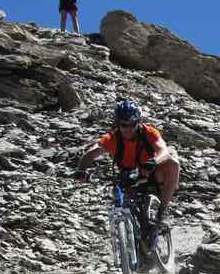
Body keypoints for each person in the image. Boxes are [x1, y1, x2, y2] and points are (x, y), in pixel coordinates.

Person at [75, 100, 181, 238]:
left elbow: (163, 151)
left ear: (138, 122)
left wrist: (153, 161)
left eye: (132, 124)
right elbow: (91, 154)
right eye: (124, 125)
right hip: (128, 174)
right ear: (118, 124)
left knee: (173, 163)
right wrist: (81, 171)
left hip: (151, 171)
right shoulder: (112, 138)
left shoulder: (148, 132)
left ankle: (161, 212)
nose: (128, 129)